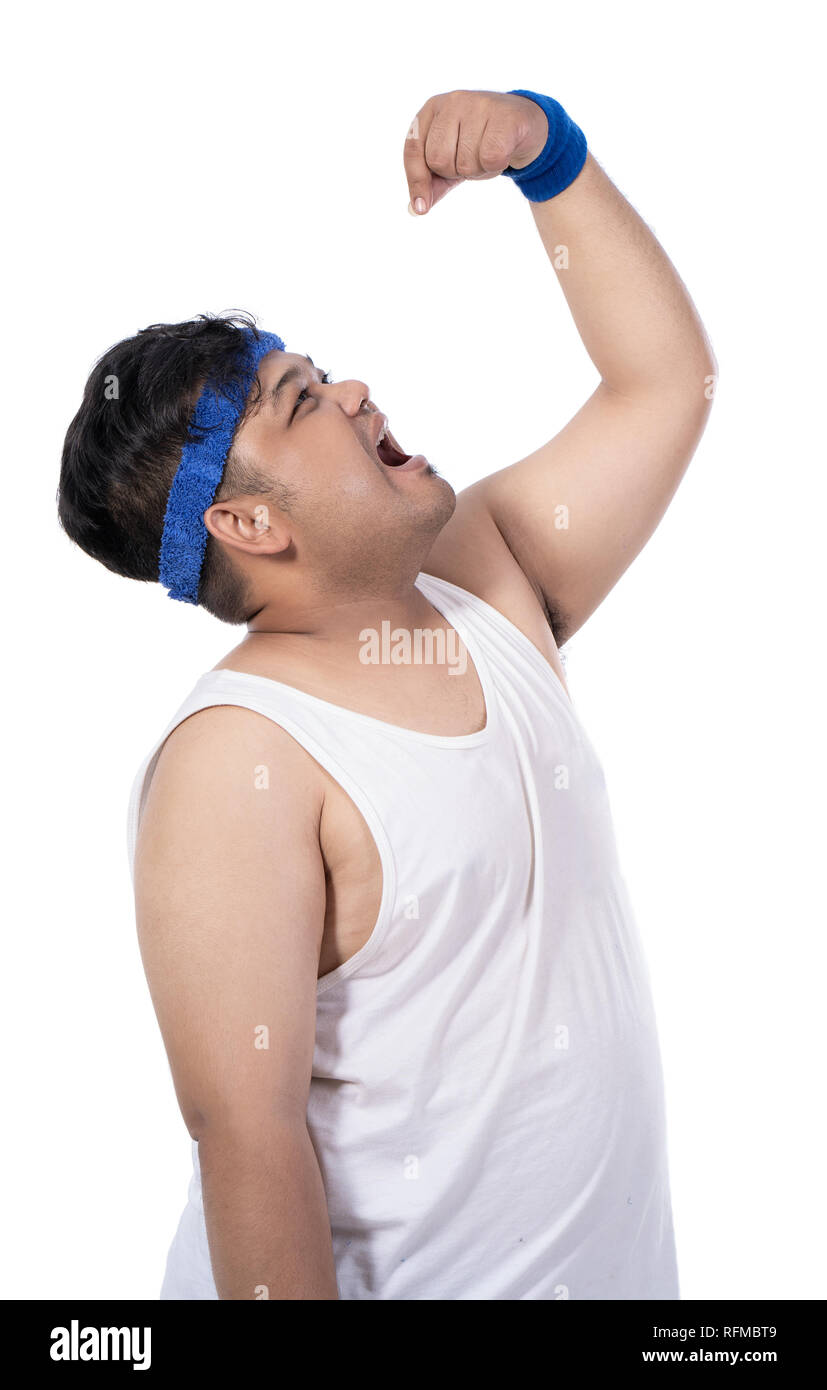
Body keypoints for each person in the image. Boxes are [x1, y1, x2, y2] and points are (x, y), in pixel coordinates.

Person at [57, 87, 716, 1300]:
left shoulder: (487, 577)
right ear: (244, 521)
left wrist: (544, 153)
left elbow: (662, 383)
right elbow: (247, 1147)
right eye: (303, 402)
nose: (355, 391)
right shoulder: (239, 763)